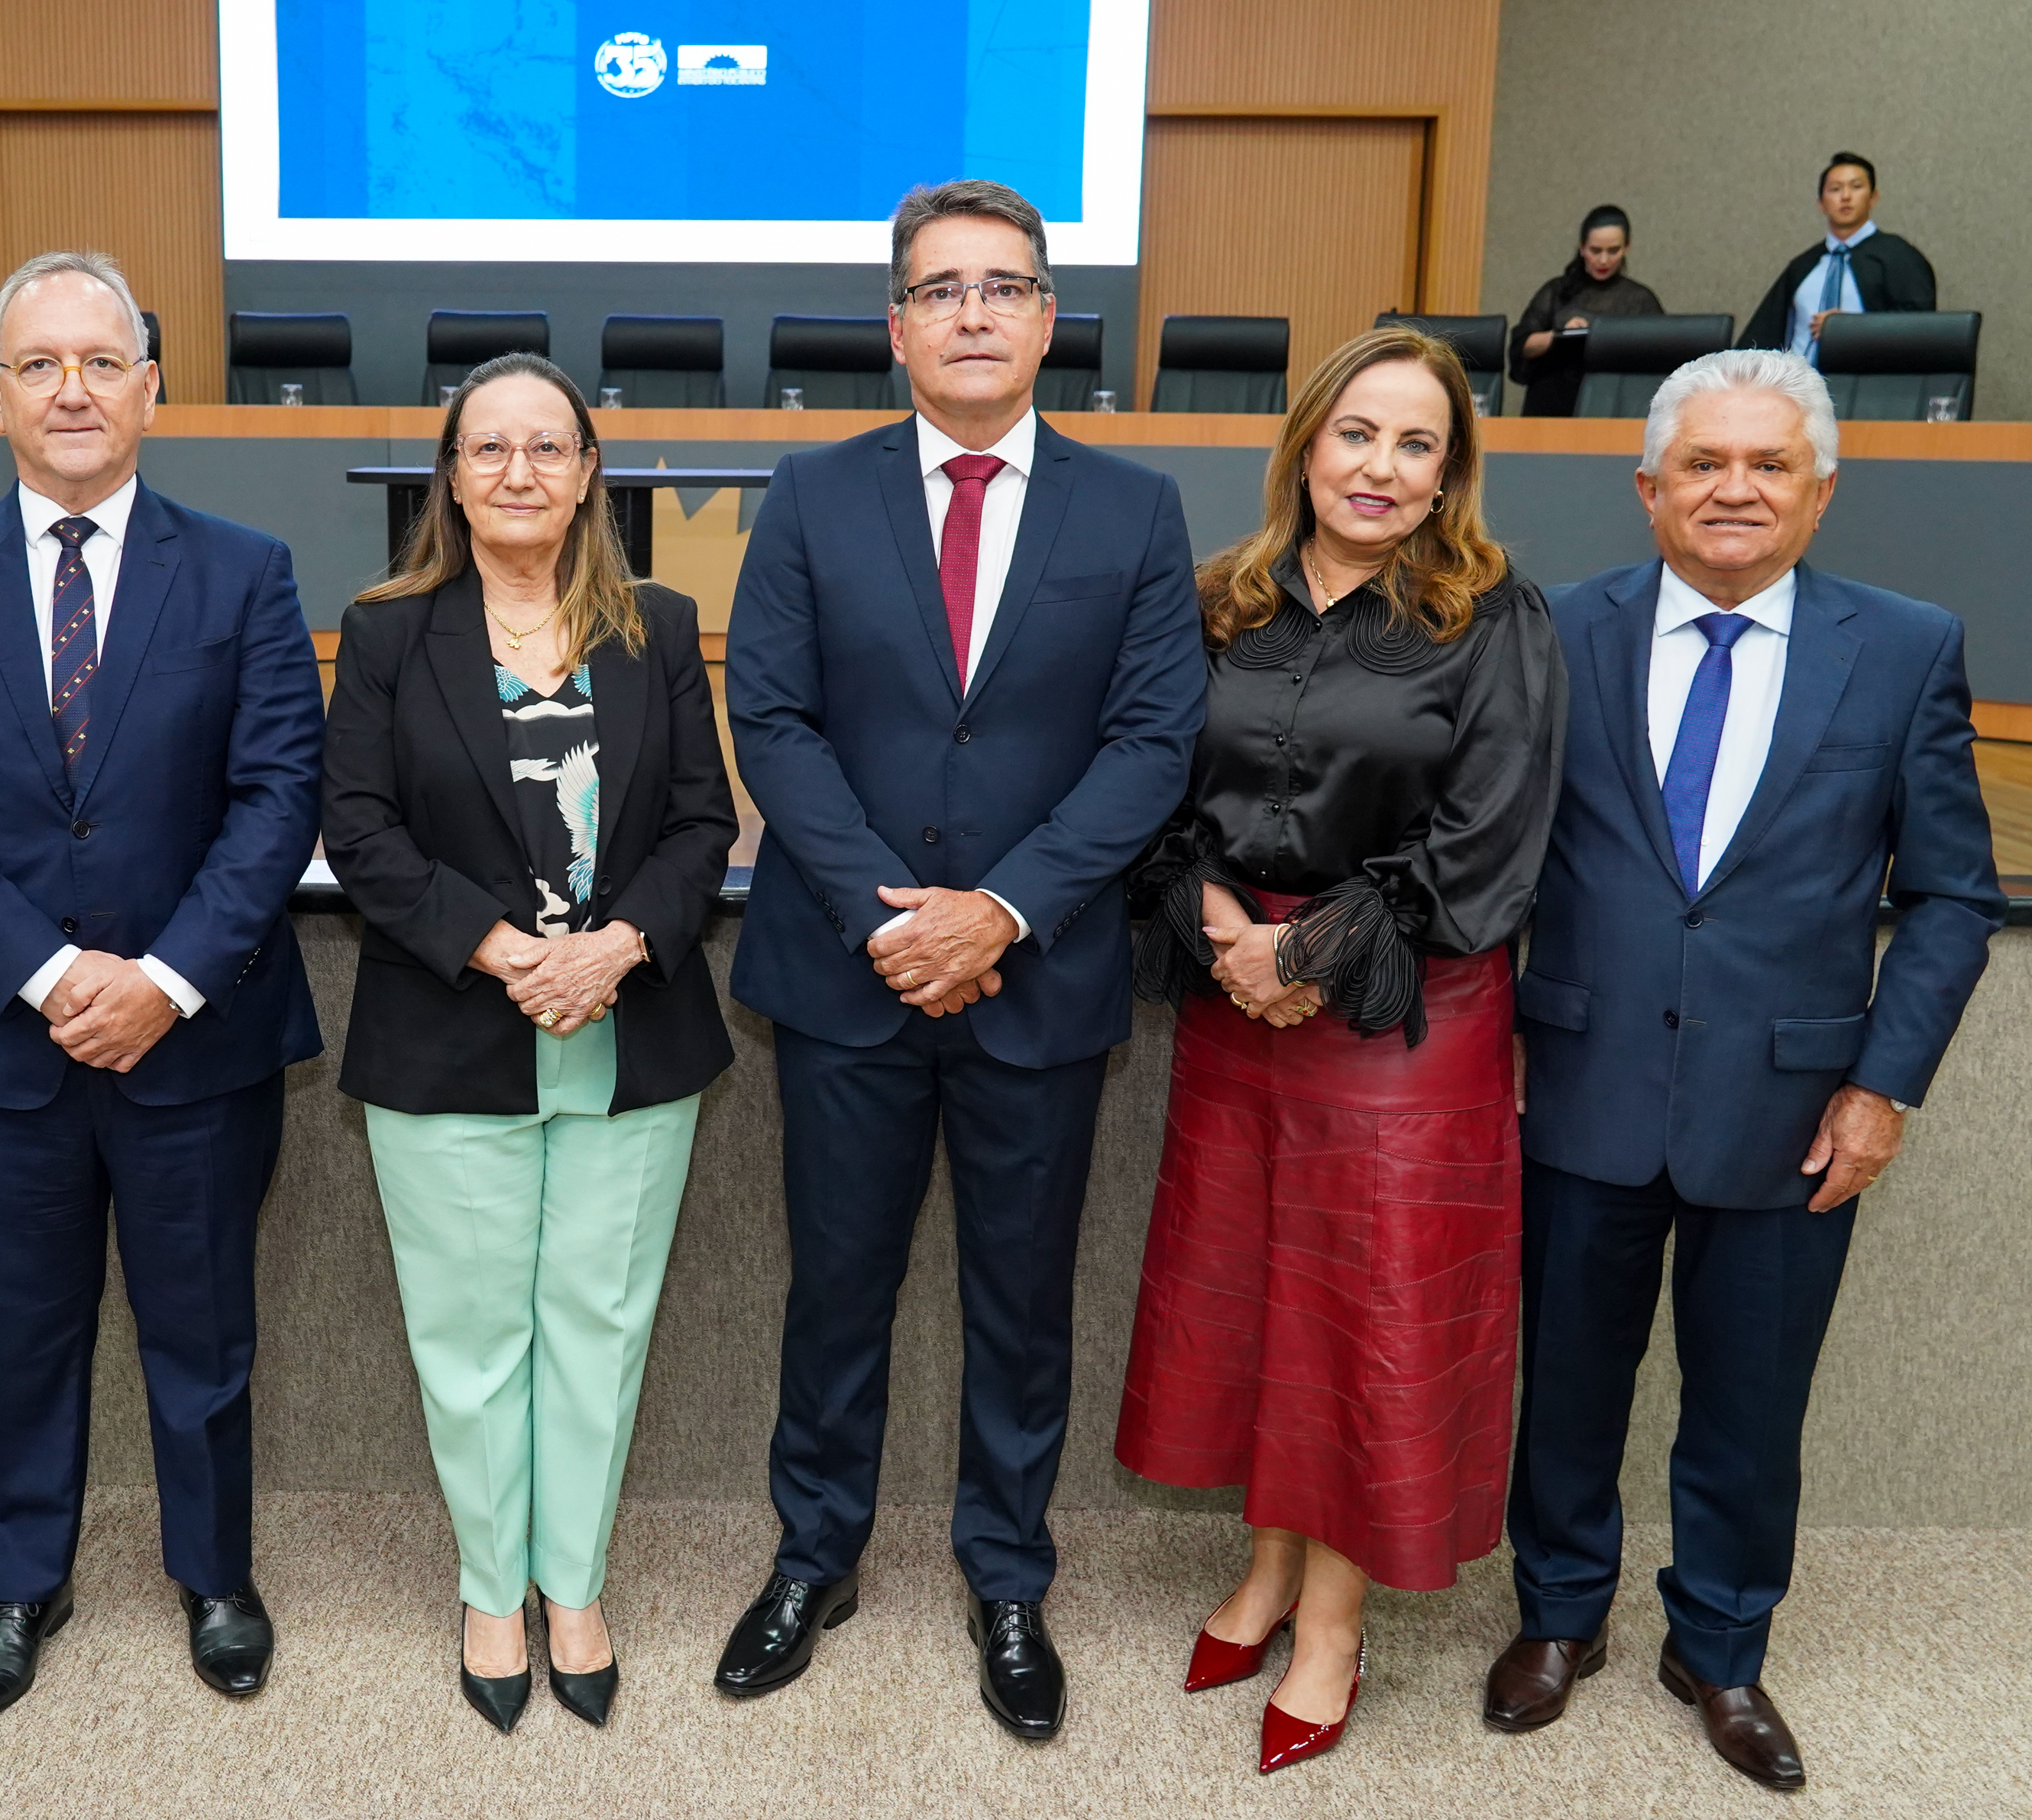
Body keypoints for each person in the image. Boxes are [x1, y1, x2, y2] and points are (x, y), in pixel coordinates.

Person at [715, 179, 1209, 1741]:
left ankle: (1005, 1574)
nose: (974, 312)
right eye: (941, 289)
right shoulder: (807, 494)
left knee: (1018, 1299)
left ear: (1046, 319)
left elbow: (1150, 742)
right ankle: (815, 1555)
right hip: (844, 973)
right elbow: (772, 720)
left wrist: (996, 911)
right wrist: (888, 912)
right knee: (835, 1290)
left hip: (1037, 976)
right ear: (896, 327)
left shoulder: (1131, 509)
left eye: (1003, 286)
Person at [1488, 348, 2002, 1790]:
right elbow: (1492, 857)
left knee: (1750, 1399)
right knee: (1569, 1381)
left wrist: (1883, 1085)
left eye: (1768, 465)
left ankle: (1720, 1644)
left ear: (1821, 492)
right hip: (1576, 1081)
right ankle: (1558, 1617)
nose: (1734, 489)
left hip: (1793, 1107)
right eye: (1703, 464)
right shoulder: (1555, 629)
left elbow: (1954, 894)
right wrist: (1498, 1037)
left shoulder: (1905, 647)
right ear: (1647, 489)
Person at [0, 251, 324, 1724]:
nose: (71, 389)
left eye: (101, 361)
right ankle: (21, 1582)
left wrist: (166, 979)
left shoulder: (245, 568)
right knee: (17, 1331)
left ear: (151, 386)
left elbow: (277, 791)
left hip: (197, 1035)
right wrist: (57, 975)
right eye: (39, 362)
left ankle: (215, 1575)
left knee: (204, 1330)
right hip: (2, 1036)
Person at [1117, 325, 1567, 1773]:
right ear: (1305, 443)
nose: (1380, 467)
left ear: (1452, 476)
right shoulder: (1217, 605)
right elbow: (1154, 796)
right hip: (1233, 994)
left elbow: (1489, 836)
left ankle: (1332, 1617)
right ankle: (1262, 1562)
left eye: (1416, 444)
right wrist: (1223, 929)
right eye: (1357, 433)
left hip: (1403, 1011)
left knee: (1360, 1315)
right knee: (1255, 1293)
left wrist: (1304, 956)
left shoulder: (1492, 616)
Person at [323, 353, 736, 1734]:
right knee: (471, 1333)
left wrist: (613, 950)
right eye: (488, 448)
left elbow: (700, 827)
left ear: (586, 473)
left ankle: (576, 1581)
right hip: (454, 1027)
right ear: (451, 473)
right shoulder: (388, 632)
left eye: (547, 448)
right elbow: (360, 830)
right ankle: (490, 1584)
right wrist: (509, 951)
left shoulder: (662, 624)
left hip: (629, 1027)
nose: (518, 472)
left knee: (597, 1326)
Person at [1739, 154, 1936, 360]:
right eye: (1835, 189)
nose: (1846, 196)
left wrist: (1850, 329)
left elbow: (1921, 328)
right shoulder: (1803, 266)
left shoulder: (1899, 256)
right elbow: (1764, 333)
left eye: (1856, 187)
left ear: (1873, 197)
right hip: (1800, 385)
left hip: (1867, 384)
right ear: (1821, 203)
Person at [1508, 206, 1663, 415]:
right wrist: (1561, 335)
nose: (1604, 260)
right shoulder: (1556, 292)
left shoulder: (1640, 299)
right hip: (1553, 402)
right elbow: (1522, 347)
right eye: (1595, 251)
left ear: (1627, 247)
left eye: (1613, 251)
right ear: (1582, 248)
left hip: (1617, 405)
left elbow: (1660, 358)